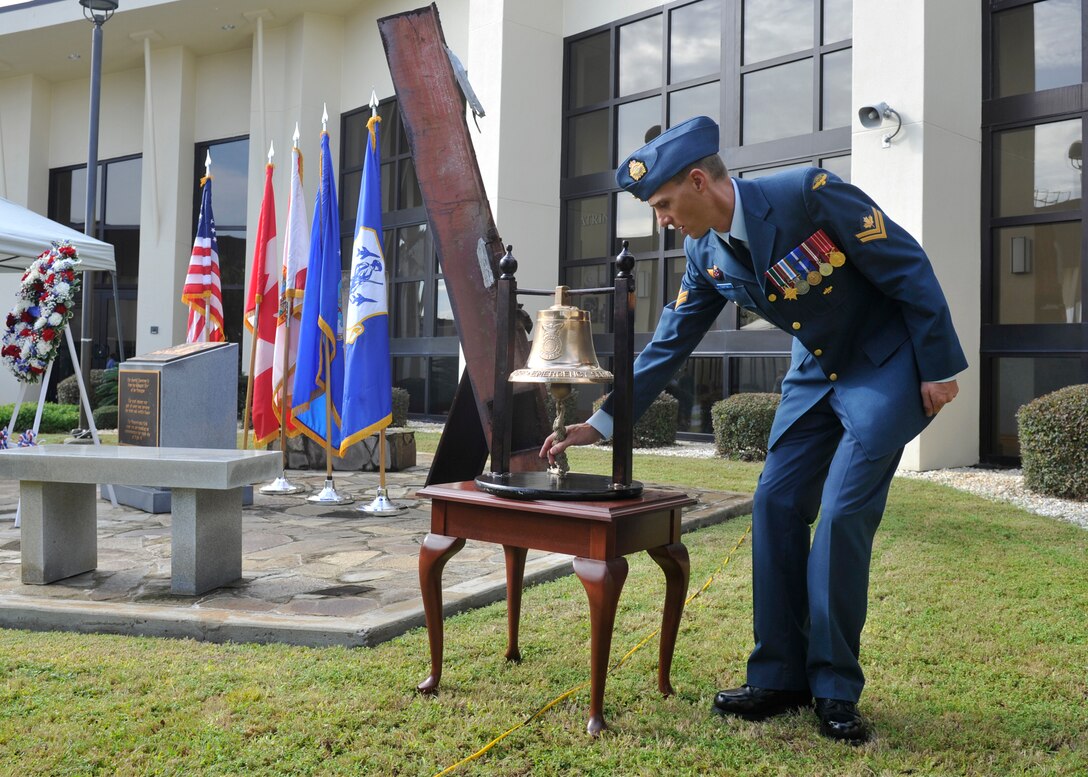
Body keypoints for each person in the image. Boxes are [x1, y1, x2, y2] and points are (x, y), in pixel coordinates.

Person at [540, 116, 966, 744]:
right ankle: (780, 675)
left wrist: (937, 365)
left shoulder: (808, 194)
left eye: (662, 204)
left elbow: (906, 265)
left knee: (844, 514)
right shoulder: (704, 252)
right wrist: (602, 422)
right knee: (774, 502)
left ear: (696, 181)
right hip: (814, 372)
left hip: (883, 362)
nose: (660, 219)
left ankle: (833, 687)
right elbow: (667, 345)